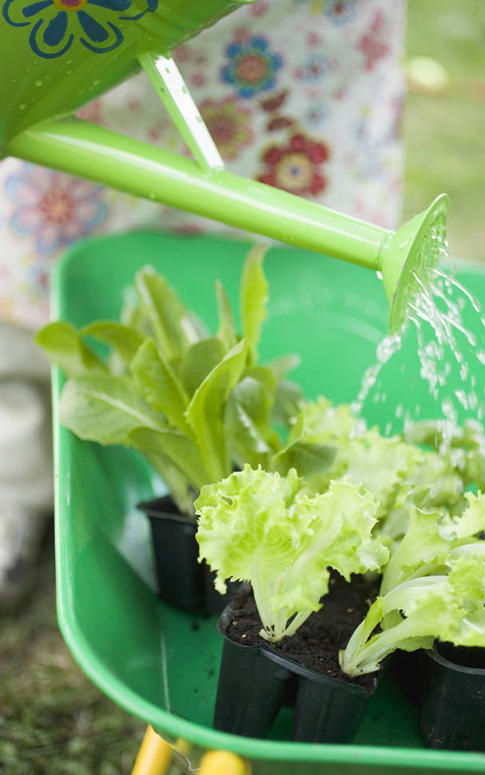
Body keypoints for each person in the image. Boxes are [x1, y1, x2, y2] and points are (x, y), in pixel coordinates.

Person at [0, 0, 406, 606]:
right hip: (88, 39)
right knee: (47, 243)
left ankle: (292, 496)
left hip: (289, 47)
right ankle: (15, 484)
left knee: (282, 262)